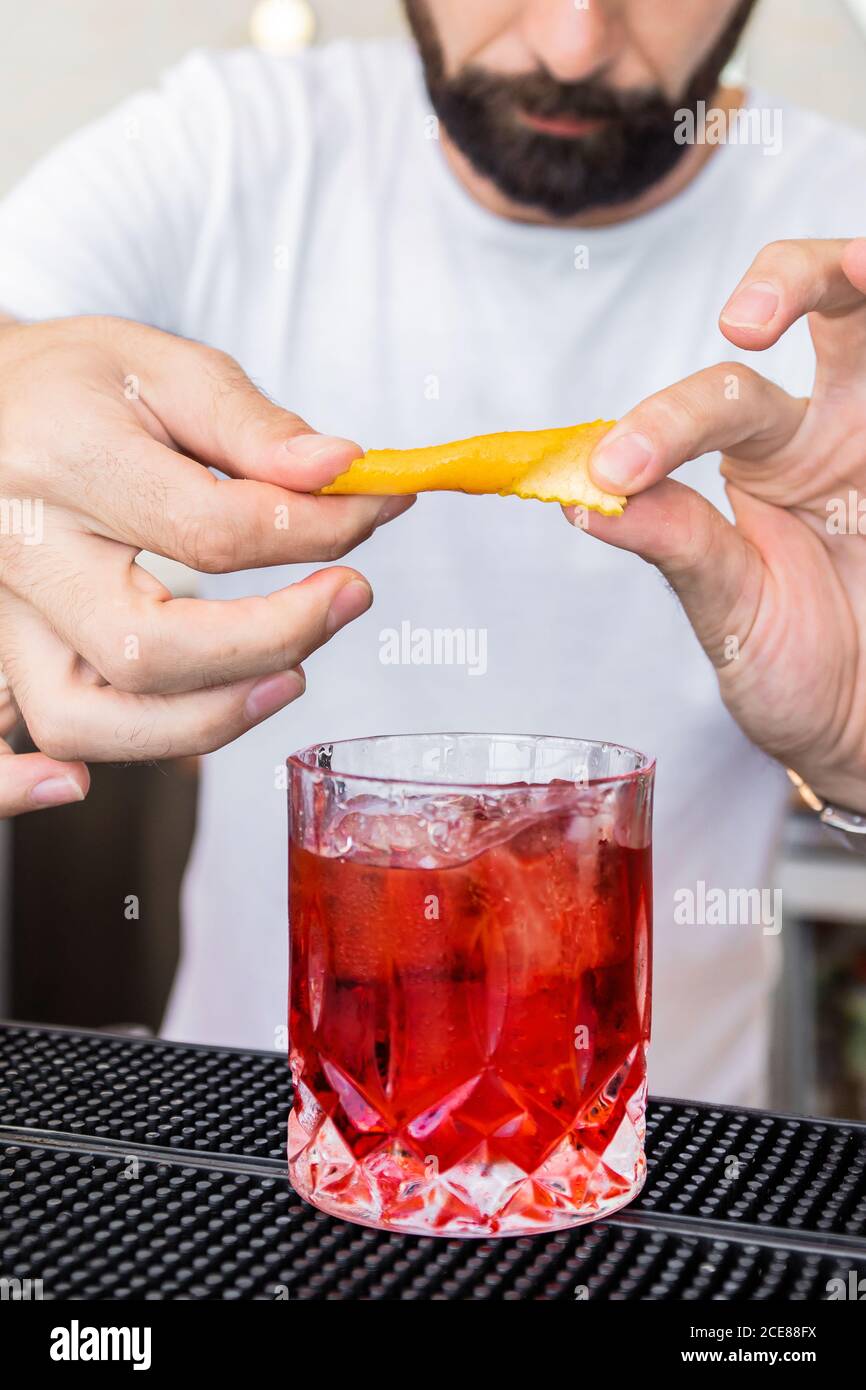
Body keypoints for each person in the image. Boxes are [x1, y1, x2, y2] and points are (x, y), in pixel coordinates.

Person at [0, 0, 864, 1105]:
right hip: (241, 1147)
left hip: (661, 1176)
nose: (570, 45)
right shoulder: (231, 146)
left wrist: (851, 749)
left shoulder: (844, 261)